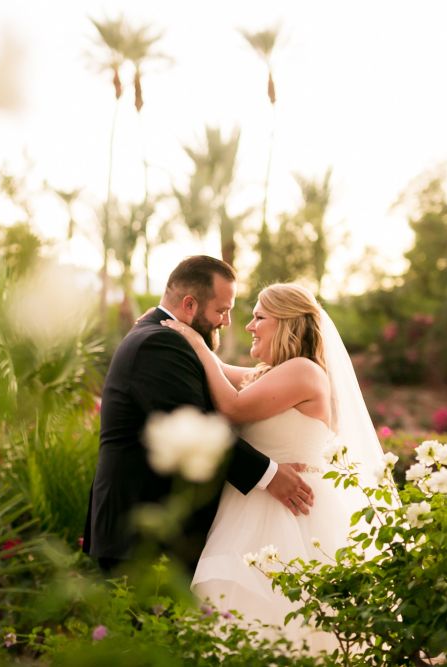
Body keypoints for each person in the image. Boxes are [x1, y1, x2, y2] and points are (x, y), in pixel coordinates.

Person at [161, 282, 389, 651]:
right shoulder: (271, 373)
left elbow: (232, 405)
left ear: (286, 323)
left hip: (282, 516)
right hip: (252, 504)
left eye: (258, 317)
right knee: (238, 622)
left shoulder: (303, 370)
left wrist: (196, 340)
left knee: (279, 620)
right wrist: (174, 328)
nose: (249, 326)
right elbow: (218, 371)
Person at [82, 256, 315, 572]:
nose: (227, 322)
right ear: (189, 305)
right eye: (221, 311)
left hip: (156, 533)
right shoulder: (160, 343)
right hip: (141, 536)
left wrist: (199, 346)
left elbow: (258, 381)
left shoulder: (164, 338)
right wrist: (270, 475)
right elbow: (199, 432)